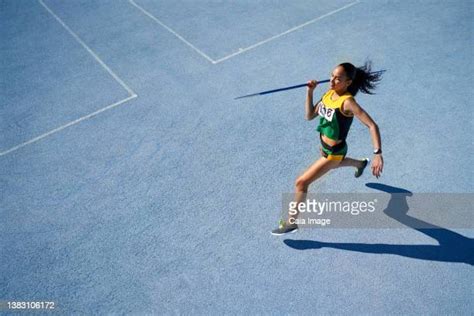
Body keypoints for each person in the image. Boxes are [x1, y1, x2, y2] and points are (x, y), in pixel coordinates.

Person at [271, 61, 384, 235]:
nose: (332, 81)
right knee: (335, 164)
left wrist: (378, 154)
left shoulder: (348, 102)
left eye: (338, 79)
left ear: (348, 83)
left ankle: (292, 222)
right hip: (325, 148)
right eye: (332, 76)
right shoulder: (328, 94)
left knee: (301, 183)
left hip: (333, 153)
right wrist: (310, 92)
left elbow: (372, 125)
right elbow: (309, 116)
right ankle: (360, 164)